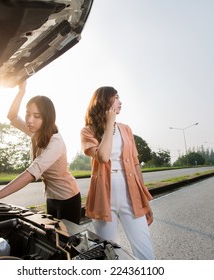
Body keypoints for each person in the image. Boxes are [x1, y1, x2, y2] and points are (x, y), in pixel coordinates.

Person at [0, 81, 81, 224]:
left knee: (65, 243)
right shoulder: (37, 132)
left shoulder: (56, 142)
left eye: (37, 116)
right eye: (28, 114)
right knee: (52, 238)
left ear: (47, 118)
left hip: (68, 198)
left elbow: (31, 174)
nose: (30, 120)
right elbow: (12, 116)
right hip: (51, 197)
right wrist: (21, 91)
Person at [80, 86, 155, 259]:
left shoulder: (126, 129)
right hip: (103, 198)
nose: (120, 102)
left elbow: (136, 164)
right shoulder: (87, 131)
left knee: (147, 255)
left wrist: (144, 199)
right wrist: (109, 123)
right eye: (116, 97)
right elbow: (103, 156)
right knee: (112, 255)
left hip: (132, 195)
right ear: (104, 101)